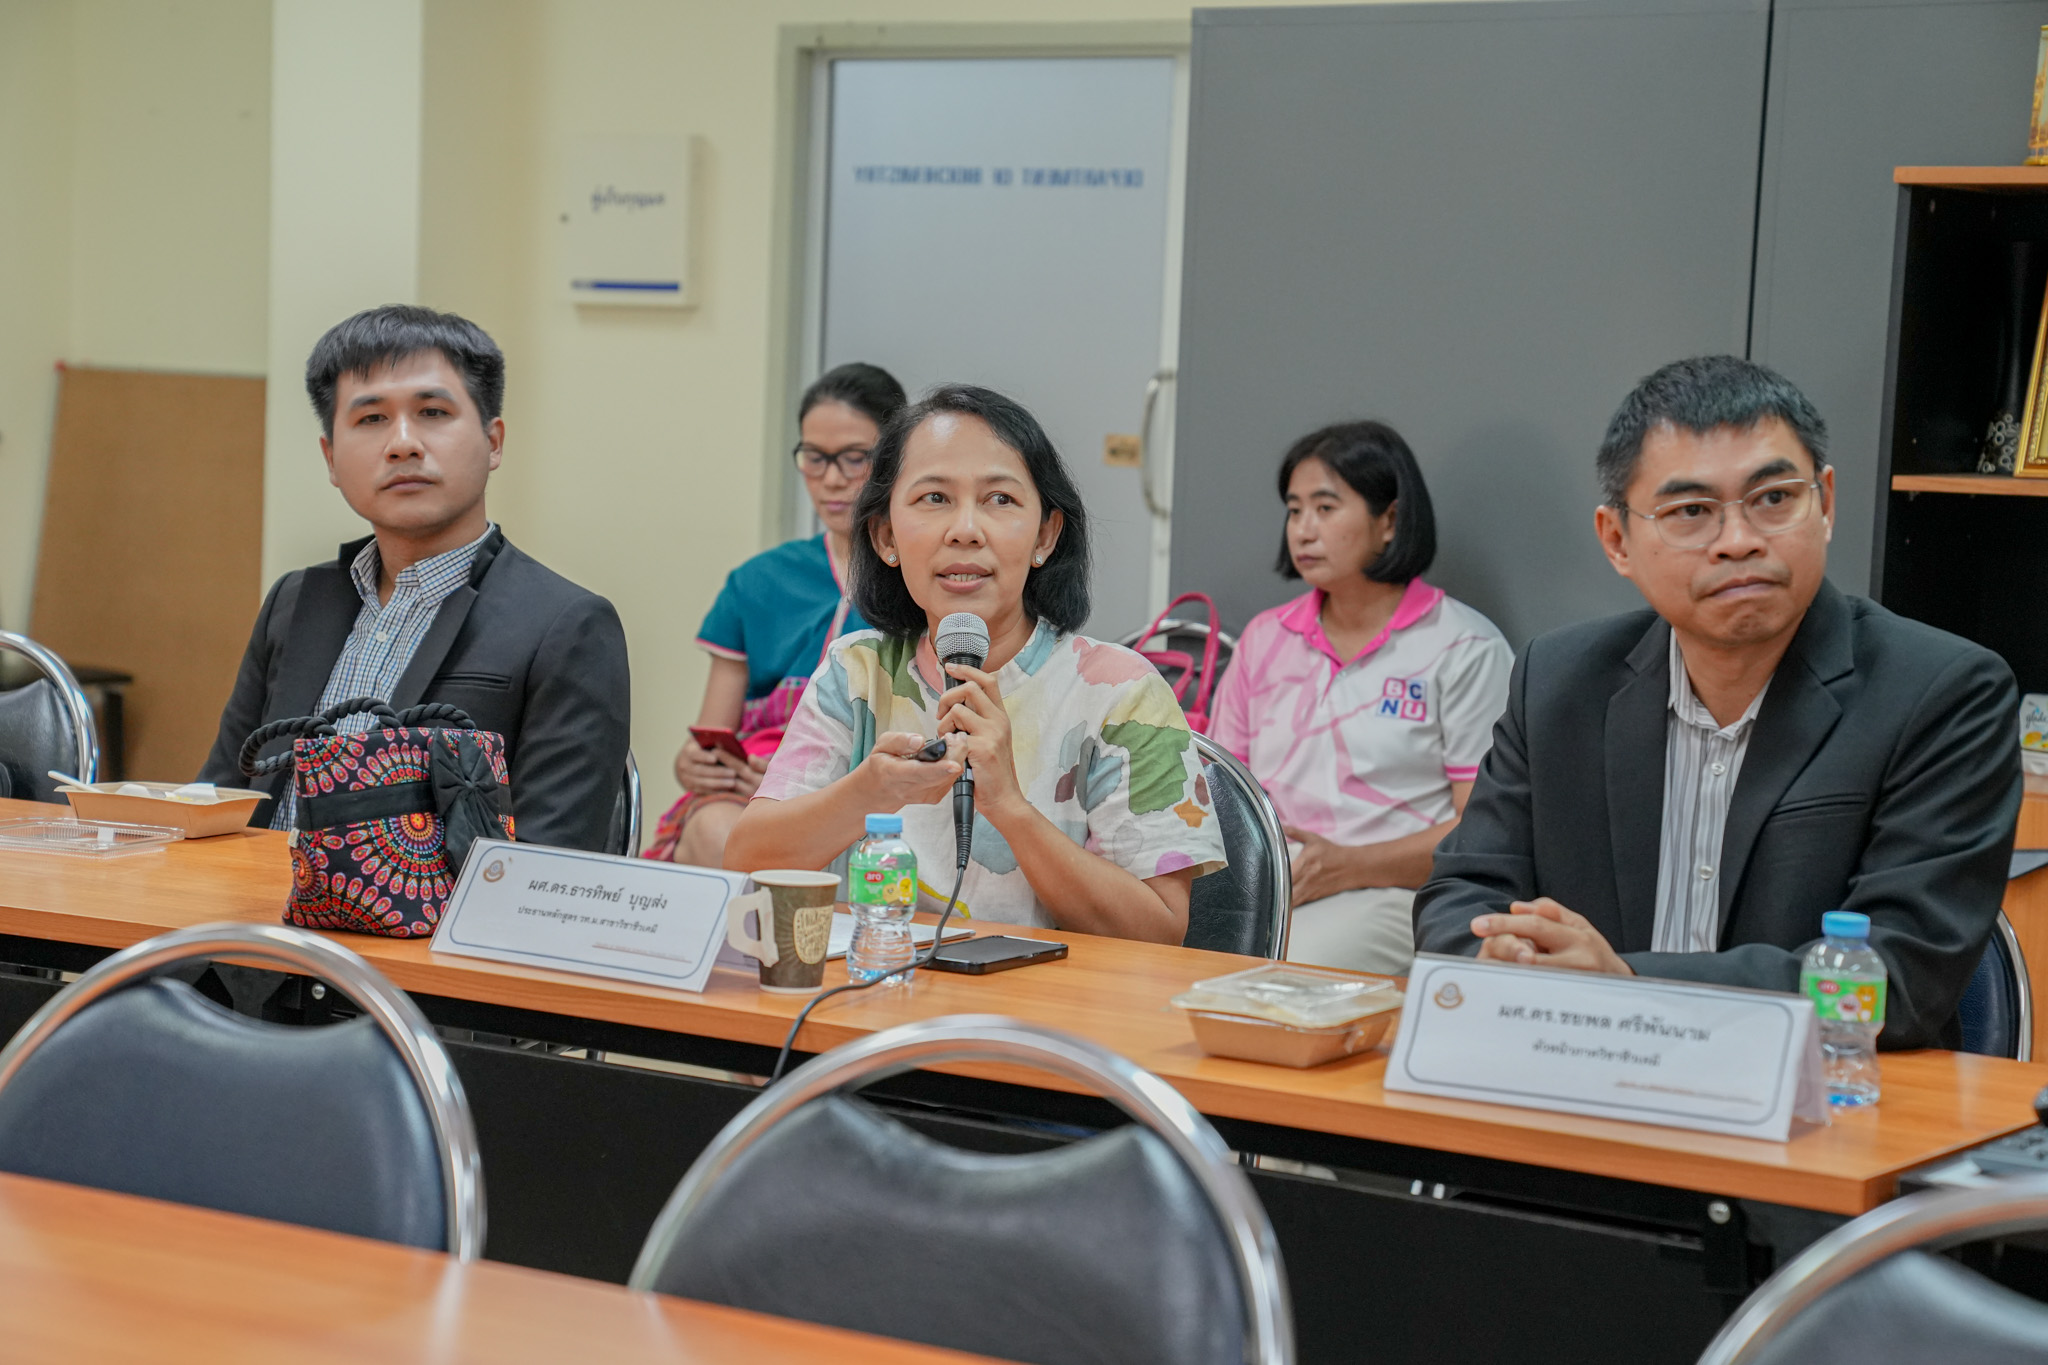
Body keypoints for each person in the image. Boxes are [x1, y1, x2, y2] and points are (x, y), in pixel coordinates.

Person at [1414, 356, 2020, 1048]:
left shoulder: (1944, 692)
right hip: (1580, 1074)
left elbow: (1898, 971)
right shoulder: (1557, 682)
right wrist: (1506, 956)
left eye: (1774, 498)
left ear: (1825, 503)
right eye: (1691, 512)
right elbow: (1459, 896)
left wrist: (1627, 988)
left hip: (1821, 1095)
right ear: (1617, 540)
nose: (1739, 541)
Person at [724, 384, 1226, 943]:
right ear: (886, 536)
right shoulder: (857, 672)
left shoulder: (1121, 691)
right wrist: (869, 792)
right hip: (878, 987)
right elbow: (747, 863)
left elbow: (1159, 932)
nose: (965, 529)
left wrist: (1010, 807)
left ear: (1045, 536)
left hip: (1049, 997)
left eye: (1000, 499)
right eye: (934, 497)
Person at [200, 305, 630, 853]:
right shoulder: (295, 600)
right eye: (371, 419)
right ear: (331, 459)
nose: (403, 443)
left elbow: (550, 862)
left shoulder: (567, 626)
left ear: (494, 442)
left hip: (443, 911)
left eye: (432, 412)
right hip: (253, 903)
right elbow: (220, 797)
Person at [1210, 422, 1511, 976]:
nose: (1303, 530)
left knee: (1284, 966)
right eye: (1295, 510)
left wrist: (1350, 866)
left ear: (1389, 521)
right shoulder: (1265, 638)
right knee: (1159, 946)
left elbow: (1485, 828)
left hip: (1395, 893)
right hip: (1270, 884)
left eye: (1325, 508)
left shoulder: (1465, 647)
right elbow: (1222, 790)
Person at [649, 363, 905, 866]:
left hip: (880, 797)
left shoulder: (923, 582)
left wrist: (805, 778)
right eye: (815, 457)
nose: (832, 479)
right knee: (720, 834)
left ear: (895, 459)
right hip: (751, 797)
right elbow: (714, 733)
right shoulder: (758, 581)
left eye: (855, 458)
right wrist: (695, 766)